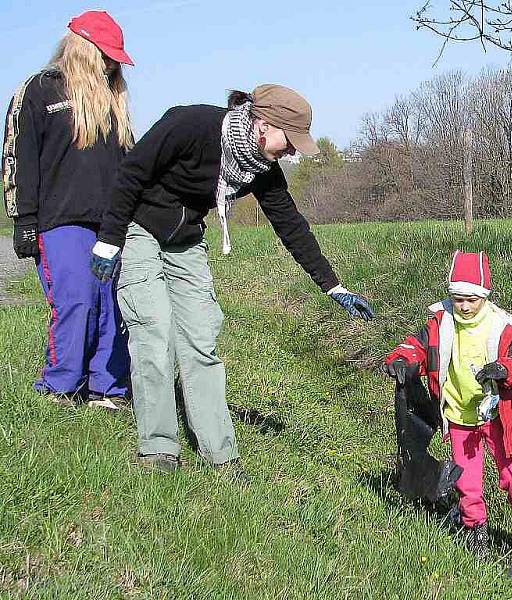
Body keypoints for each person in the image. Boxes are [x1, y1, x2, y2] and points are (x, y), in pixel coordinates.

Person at [91, 84, 374, 482]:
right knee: (153, 333)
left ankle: (219, 454)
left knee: (201, 340)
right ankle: (158, 446)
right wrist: (109, 239)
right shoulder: (190, 125)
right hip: (139, 230)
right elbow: (131, 172)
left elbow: (291, 226)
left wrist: (334, 287)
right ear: (263, 124)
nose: (291, 151)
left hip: (185, 239)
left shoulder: (258, 168)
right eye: (289, 141)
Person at [382, 251, 512, 560]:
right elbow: (414, 347)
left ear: (484, 296)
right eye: (457, 298)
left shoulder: (501, 326)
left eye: (471, 300)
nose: (463, 306)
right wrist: (400, 360)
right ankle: (479, 542)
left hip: (497, 419)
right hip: (459, 418)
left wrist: (506, 369)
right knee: (468, 485)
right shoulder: (440, 323)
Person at [2, 10, 134, 410]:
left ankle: (107, 389)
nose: (112, 64)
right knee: (76, 301)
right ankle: (60, 387)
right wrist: (23, 220)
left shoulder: (115, 98)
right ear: (85, 48)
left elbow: (129, 163)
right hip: (59, 220)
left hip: (111, 221)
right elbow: (18, 157)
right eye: (106, 54)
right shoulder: (39, 91)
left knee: (113, 306)